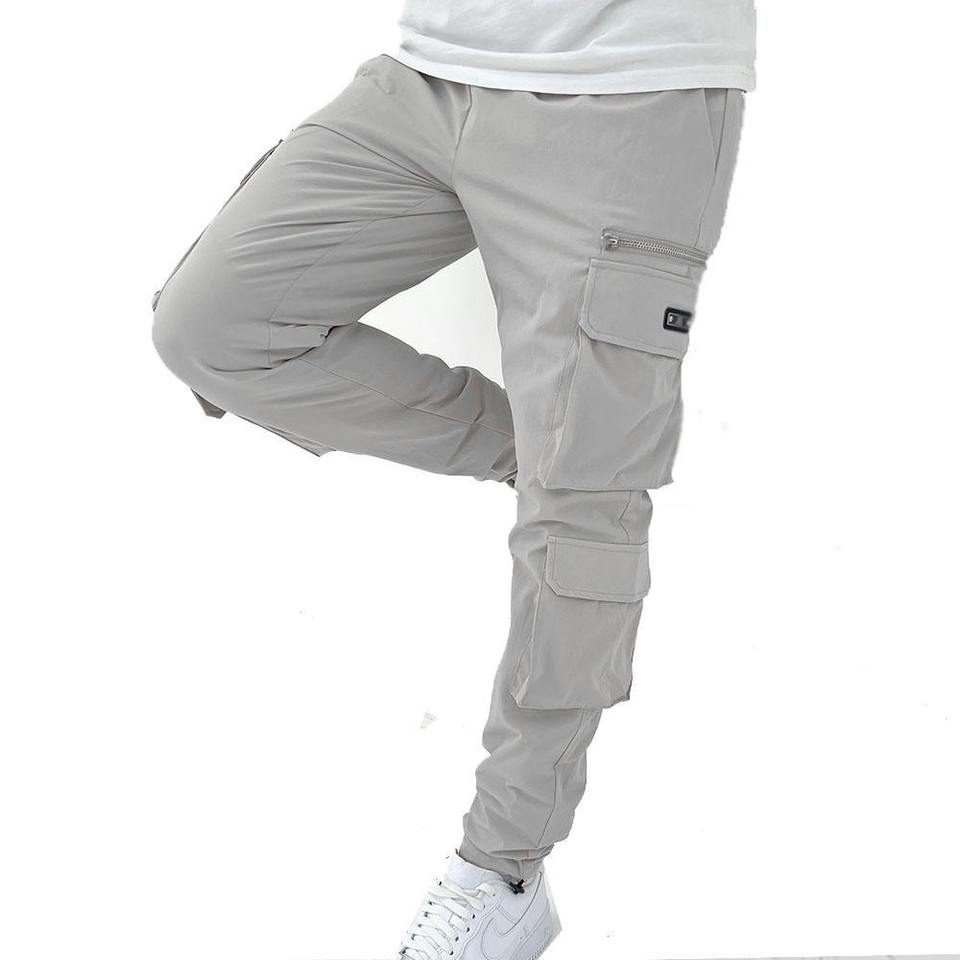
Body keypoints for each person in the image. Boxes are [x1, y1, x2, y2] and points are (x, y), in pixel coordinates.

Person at [151, 2, 756, 957]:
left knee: (581, 508)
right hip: (435, 71)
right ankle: (561, 461)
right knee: (213, 325)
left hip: (630, 92)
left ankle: (502, 871)